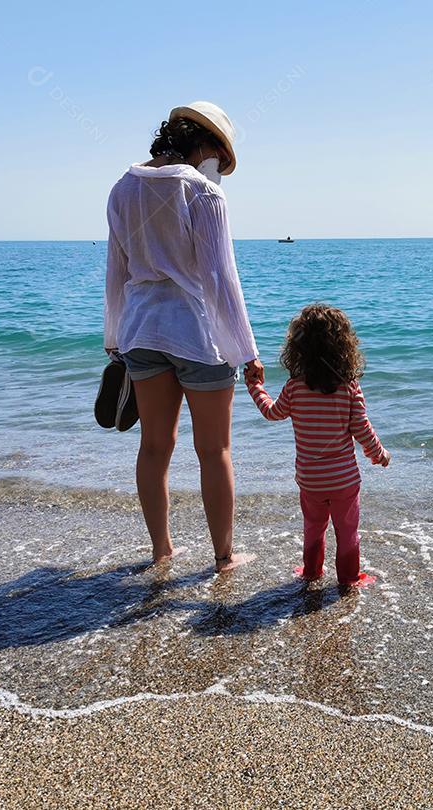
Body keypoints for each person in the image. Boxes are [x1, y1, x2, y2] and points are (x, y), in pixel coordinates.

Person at [104, 101, 263, 569]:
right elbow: (219, 279)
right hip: (198, 332)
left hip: (141, 331)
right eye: (220, 154)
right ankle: (224, 557)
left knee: (154, 447)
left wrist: (113, 334)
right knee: (214, 451)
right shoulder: (204, 194)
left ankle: (161, 551)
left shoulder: (121, 189)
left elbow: (116, 269)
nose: (220, 167)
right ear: (207, 145)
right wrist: (246, 350)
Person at [247, 304, 391, 588]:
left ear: (298, 350)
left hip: (310, 480)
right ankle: (350, 579)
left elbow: (271, 412)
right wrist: (379, 454)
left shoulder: (295, 387)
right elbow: (361, 428)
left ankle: (311, 572)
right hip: (344, 480)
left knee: (313, 527)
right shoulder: (348, 387)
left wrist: (255, 387)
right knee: (348, 531)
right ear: (343, 347)